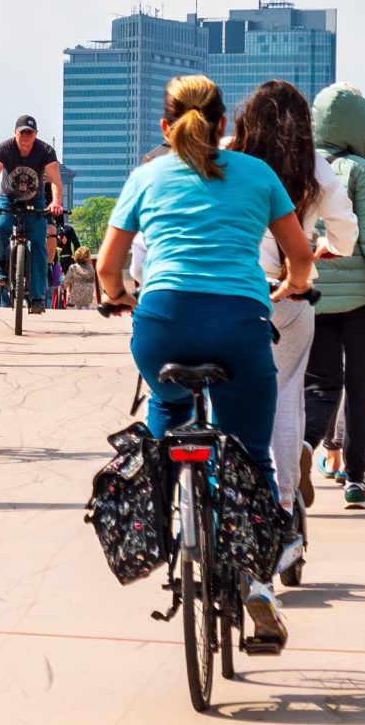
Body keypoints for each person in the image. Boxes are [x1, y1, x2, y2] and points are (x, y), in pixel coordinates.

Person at [95, 75, 314, 653]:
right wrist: (291, 286)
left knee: (166, 418)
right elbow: (299, 257)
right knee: (249, 452)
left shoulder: (146, 176)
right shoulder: (258, 174)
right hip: (239, 324)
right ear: (223, 126)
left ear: (164, 127)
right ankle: (257, 584)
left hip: (164, 323)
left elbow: (108, 267)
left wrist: (118, 297)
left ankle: (164, 527)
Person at [225, 80, 356, 570]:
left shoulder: (228, 154)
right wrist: (320, 248)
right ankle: (283, 511)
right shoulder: (314, 167)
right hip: (287, 292)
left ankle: (226, 502)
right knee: (284, 396)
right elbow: (346, 235)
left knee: (224, 395)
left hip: (230, 291)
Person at [302, 85, 365, 507]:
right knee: (363, 391)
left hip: (313, 295)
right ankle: (356, 480)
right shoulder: (364, 170)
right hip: (363, 299)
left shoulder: (297, 166)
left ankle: (306, 447)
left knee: (319, 385)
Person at [0, 115, 63, 313]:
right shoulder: (4, 149)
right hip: (7, 197)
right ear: (15, 132)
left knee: (38, 244)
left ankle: (37, 297)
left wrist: (56, 202)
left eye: (29, 132)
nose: (25, 136)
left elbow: (55, 180)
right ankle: (1, 264)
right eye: (22, 132)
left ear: (36, 134)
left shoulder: (46, 151)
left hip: (35, 200)